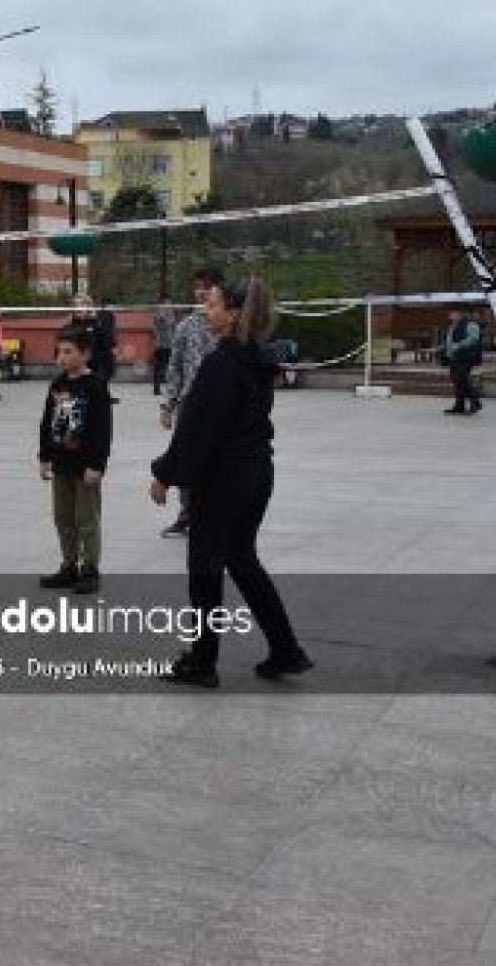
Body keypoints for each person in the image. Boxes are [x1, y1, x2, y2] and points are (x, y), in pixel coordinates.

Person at [150, 278, 313, 688]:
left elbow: (197, 430)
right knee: (242, 560)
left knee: (205, 569)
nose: (207, 310)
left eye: (214, 304)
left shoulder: (221, 364)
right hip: (256, 474)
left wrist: (164, 475)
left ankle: (202, 663)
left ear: (235, 313)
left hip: (223, 479)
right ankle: (286, 649)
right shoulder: (259, 359)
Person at [38, 326, 112, 595]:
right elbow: (47, 422)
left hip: (85, 466)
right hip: (61, 464)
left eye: (69, 352)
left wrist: (97, 464)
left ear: (85, 354)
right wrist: (44, 456)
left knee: (86, 519)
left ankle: (89, 569)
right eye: (60, 352)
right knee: (63, 518)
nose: (62, 357)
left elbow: (103, 430)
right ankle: (69, 565)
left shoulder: (95, 386)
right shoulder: (57, 384)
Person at [160, 267, 224, 538]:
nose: (201, 292)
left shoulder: (228, 326)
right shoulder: (185, 326)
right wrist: (168, 405)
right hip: (189, 404)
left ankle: (216, 514)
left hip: (220, 406)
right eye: (198, 286)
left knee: (216, 461)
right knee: (186, 458)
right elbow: (175, 367)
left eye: (207, 287)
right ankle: (187, 515)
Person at [442, 308, 484, 416]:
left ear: (460, 314)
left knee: (462, 379)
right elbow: (449, 341)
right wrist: (446, 350)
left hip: (466, 356)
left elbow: (474, 338)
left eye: (453, 313)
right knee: (456, 380)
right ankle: (459, 405)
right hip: (455, 357)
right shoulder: (452, 326)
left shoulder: (471, 325)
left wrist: (459, 345)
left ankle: (476, 402)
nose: (450, 315)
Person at [151, 305, 177, 397]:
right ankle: (159, 388)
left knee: (161, 367)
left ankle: (159, 388)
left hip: (163, 345)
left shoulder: (159, 314)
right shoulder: (164, 314)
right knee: (166, 367)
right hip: (164, 345)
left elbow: (155, 329)